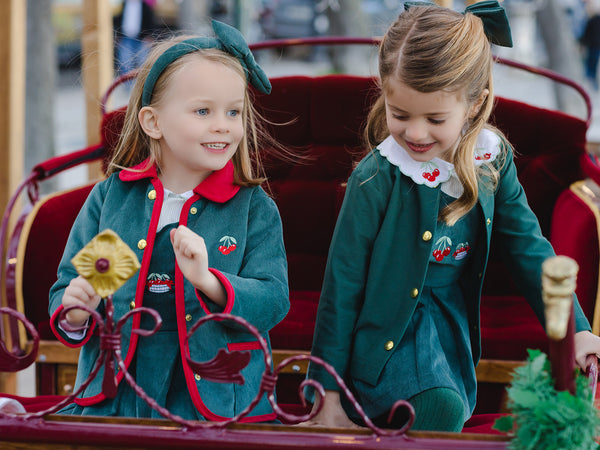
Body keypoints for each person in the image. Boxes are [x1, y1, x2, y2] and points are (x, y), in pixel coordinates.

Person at [305, 1, 600, 432]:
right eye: (400, 114)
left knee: (447, 403)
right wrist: (325, 394)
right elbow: (342, 284)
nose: (415, 133)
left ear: (474, 104)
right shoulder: (378, 176)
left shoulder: (491, 161)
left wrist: (576, 328)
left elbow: (528, 247)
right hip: (386, 340)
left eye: (435, 118)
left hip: (449, 328)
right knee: (439, 406)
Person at [48, 20, 289, 422]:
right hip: (119, 388)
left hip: (213, 395)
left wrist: (207, 279)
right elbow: (74, 285)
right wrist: (76, 310)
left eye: (234, 112)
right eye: (203, 111)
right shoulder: (115, 199)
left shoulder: (251, 207)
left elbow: (272, 300)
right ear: (152, 122)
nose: (223, 126)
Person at [114, 0, 159, 76]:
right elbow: (117, 20)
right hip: (126, 38)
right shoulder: (123, 5)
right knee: (125, 63)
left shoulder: (144, 6)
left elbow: (150, 21)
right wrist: (118, 35)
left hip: (141, 39)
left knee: (143, 63)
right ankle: (128, 86)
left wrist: (150, 36)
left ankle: (140, 84)